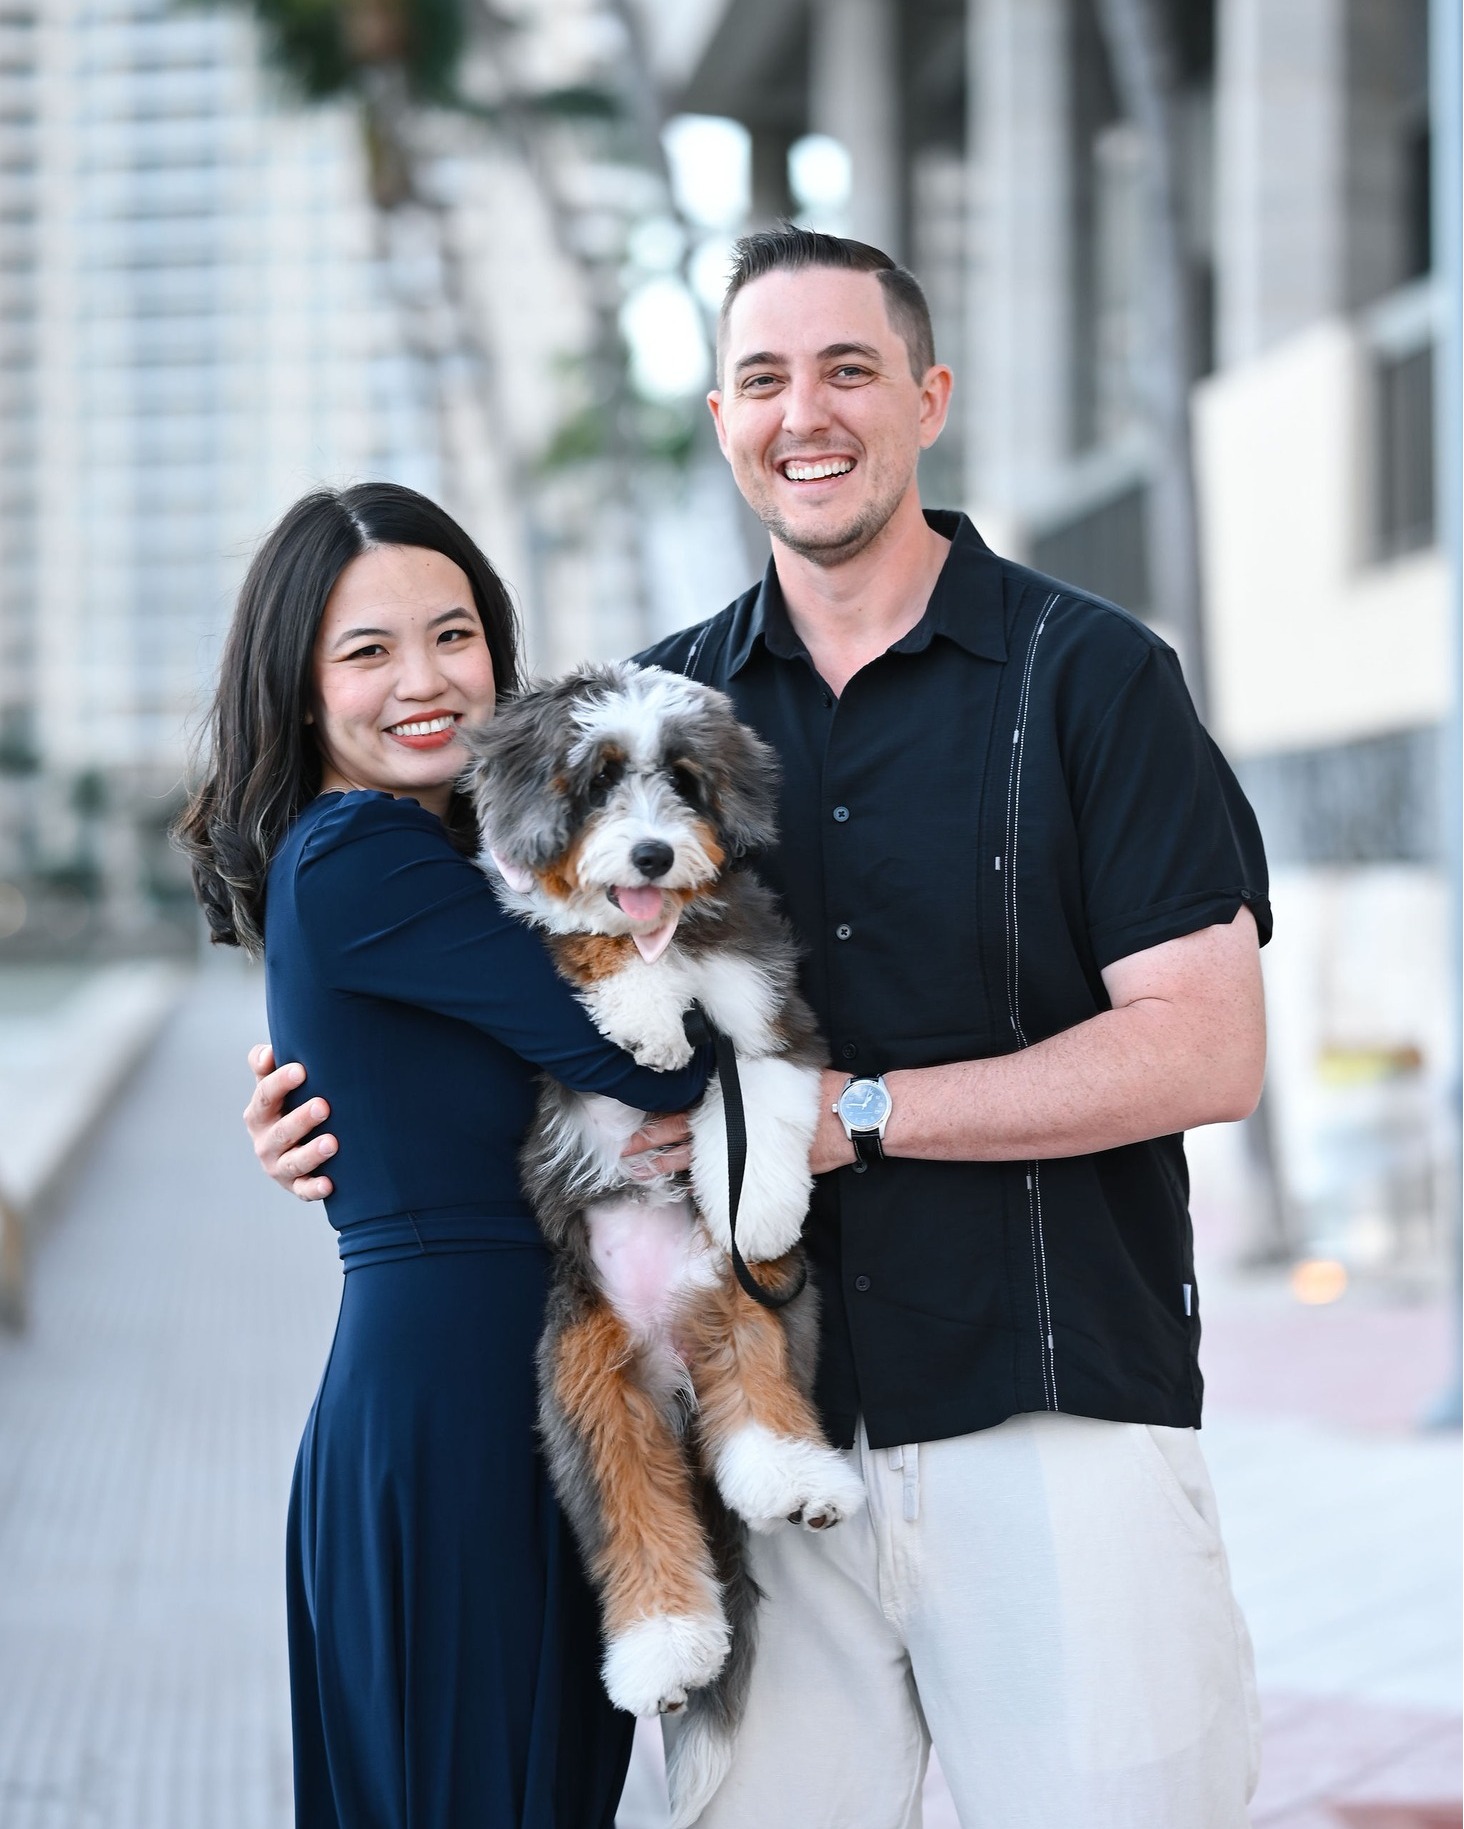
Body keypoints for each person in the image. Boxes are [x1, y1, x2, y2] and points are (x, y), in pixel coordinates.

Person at [247, 232, 1270, 1828]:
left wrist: (853, 1115)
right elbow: (500, 979)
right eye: (766, 379)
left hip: (1046, 1405)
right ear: (724, 419)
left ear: (927, 396)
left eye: (850, 368)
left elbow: (1208, 1048)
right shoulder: (663, 709)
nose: (809, 412)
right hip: (754, 1445)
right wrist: (336, 1114)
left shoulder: (1095, 681)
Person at [179, 482, 711, 1829]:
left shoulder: (457, 860)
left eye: (454, 634)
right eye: (368, 651)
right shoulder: (363, 852)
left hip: (523, 1404)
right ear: (301, 690)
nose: (424, 681)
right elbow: (658, 1060)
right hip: (459, 1420)